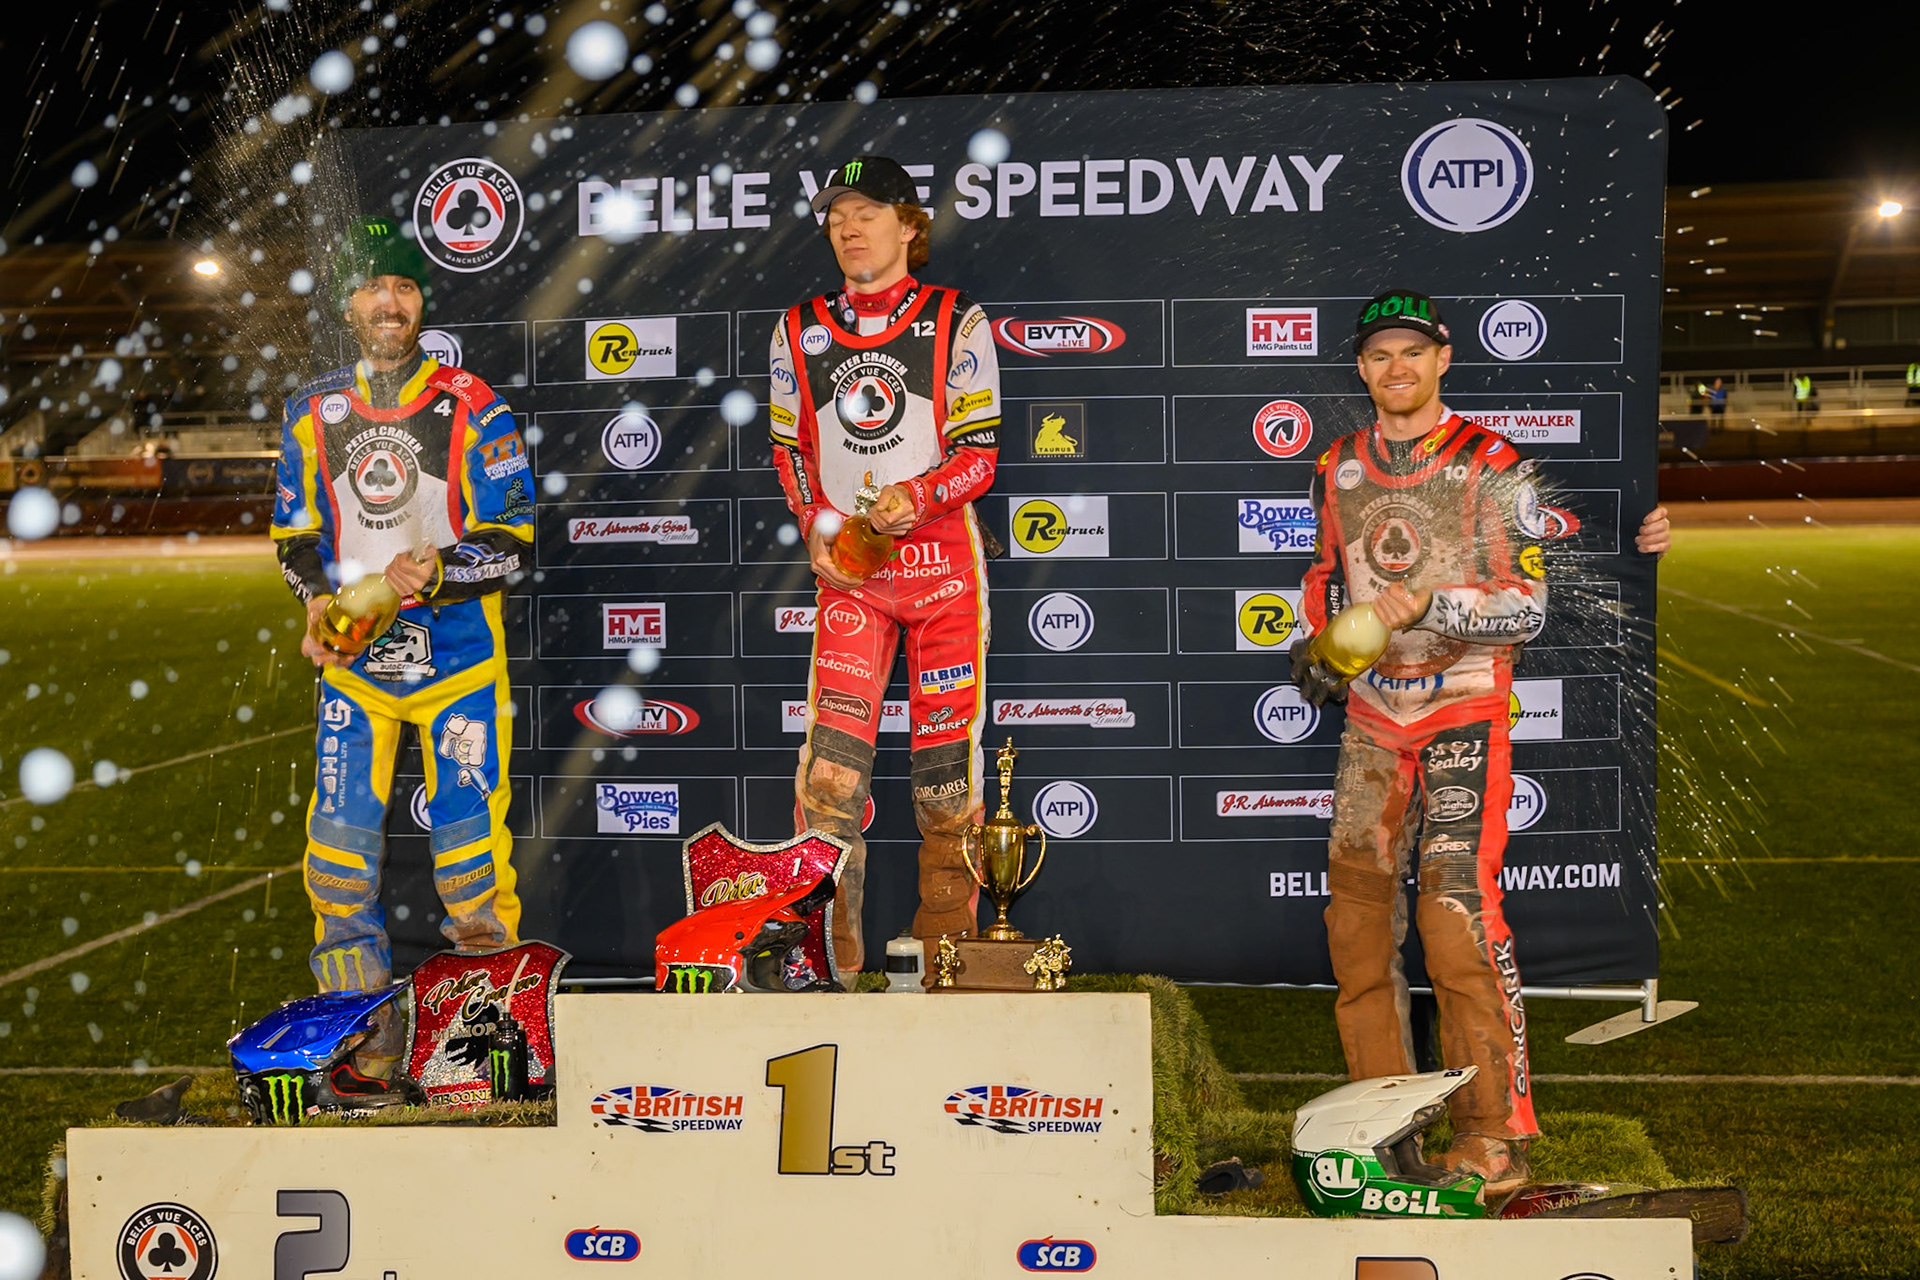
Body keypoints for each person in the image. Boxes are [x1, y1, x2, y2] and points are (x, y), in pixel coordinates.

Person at [1291, 290, 1669, 1194]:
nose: (1397, 369)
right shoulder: (1338, 465)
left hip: (1463, 710)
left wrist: (1428, 604)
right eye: (1380, 355)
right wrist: (1317, 643)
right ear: (1361, 369)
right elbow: (1320, 572)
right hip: (1374, 721)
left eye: (1412, 353)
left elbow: (1527, 606)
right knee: (1354, 924)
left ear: (1444, 359)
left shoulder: (1494, 465)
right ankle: (1378, 1126)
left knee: (1453, 919)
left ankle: (1494, 1135)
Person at [271, 216, 533, 1073]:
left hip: (457, 663)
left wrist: (440, 569)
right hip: (355, 668)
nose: (391, 302)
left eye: (407, 287)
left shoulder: (470, 403)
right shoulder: (314, 412)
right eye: (375, 287)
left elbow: (514, 538)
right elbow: (294, 540)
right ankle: (360, 1040)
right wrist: (317, 604)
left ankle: (485, 1044)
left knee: (470, 863)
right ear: (347, 304)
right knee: (340, 860)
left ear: (423, 302)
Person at [768, 155, 1002, 987]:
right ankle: (828, 966)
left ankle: (948, 958)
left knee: (944, 779)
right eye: (836, 215)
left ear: (910, 226)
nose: (849, 226)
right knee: (829, 776)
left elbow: (980, 455)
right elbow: (790, 450)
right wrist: (814, 525)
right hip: (852, 576)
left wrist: (918, 494)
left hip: (941, 569)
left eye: (868, 211)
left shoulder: (954, 320)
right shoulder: (798, 330)